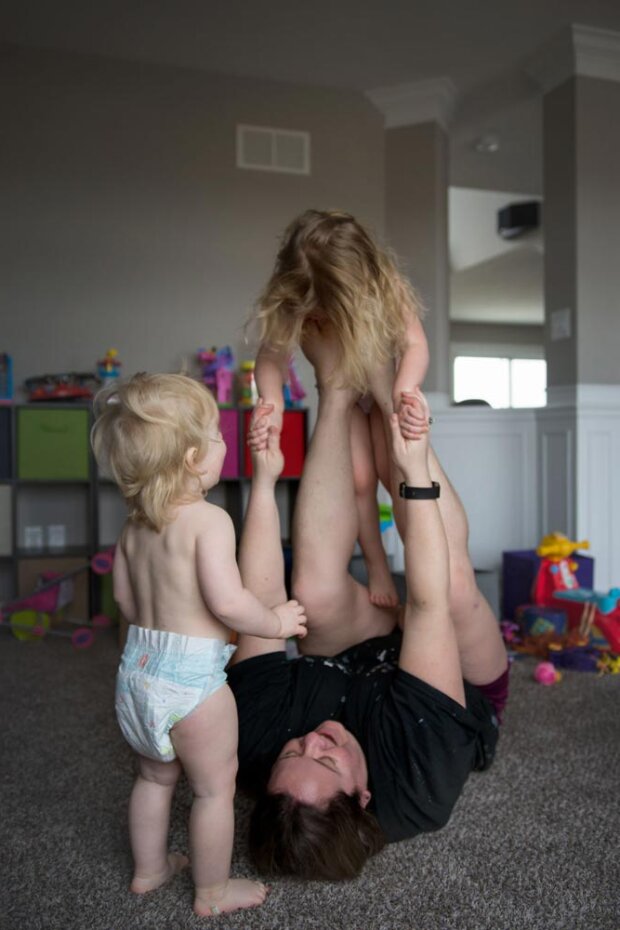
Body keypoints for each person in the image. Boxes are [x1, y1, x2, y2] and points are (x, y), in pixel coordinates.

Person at [228, 331, 509, 880]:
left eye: (293, 753)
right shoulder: (418, 780)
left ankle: (334, 386)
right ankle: (384, 385)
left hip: (353, 656)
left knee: (310, 594)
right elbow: (426, 603)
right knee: (453, 588)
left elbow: (260, 603)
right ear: (363, 796)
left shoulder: (251, 741)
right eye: (326, 760)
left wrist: (264, 480)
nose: (313, 739)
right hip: (456, 681)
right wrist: (413, 471)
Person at [91, 373, 307, 916]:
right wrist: (275, 622)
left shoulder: (133, 528)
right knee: (214, 789)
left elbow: (126, 601)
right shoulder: (210, 522)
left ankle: (149, 869)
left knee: (152, 776)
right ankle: (212, 891)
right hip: (192, 683)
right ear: (193, 459)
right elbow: (229, 603)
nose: (224, 443)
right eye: (216, 435)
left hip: (138, 672)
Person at [250, 208, 430, 608]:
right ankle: (377, 564)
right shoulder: (293, 299)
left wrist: (405, 390)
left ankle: (421, 572)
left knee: (397, 475)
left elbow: (415, 343)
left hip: (384, 398)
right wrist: (272, 403)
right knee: (360, 481)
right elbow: (271, 359)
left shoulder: (387, 285)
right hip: (343, 399)